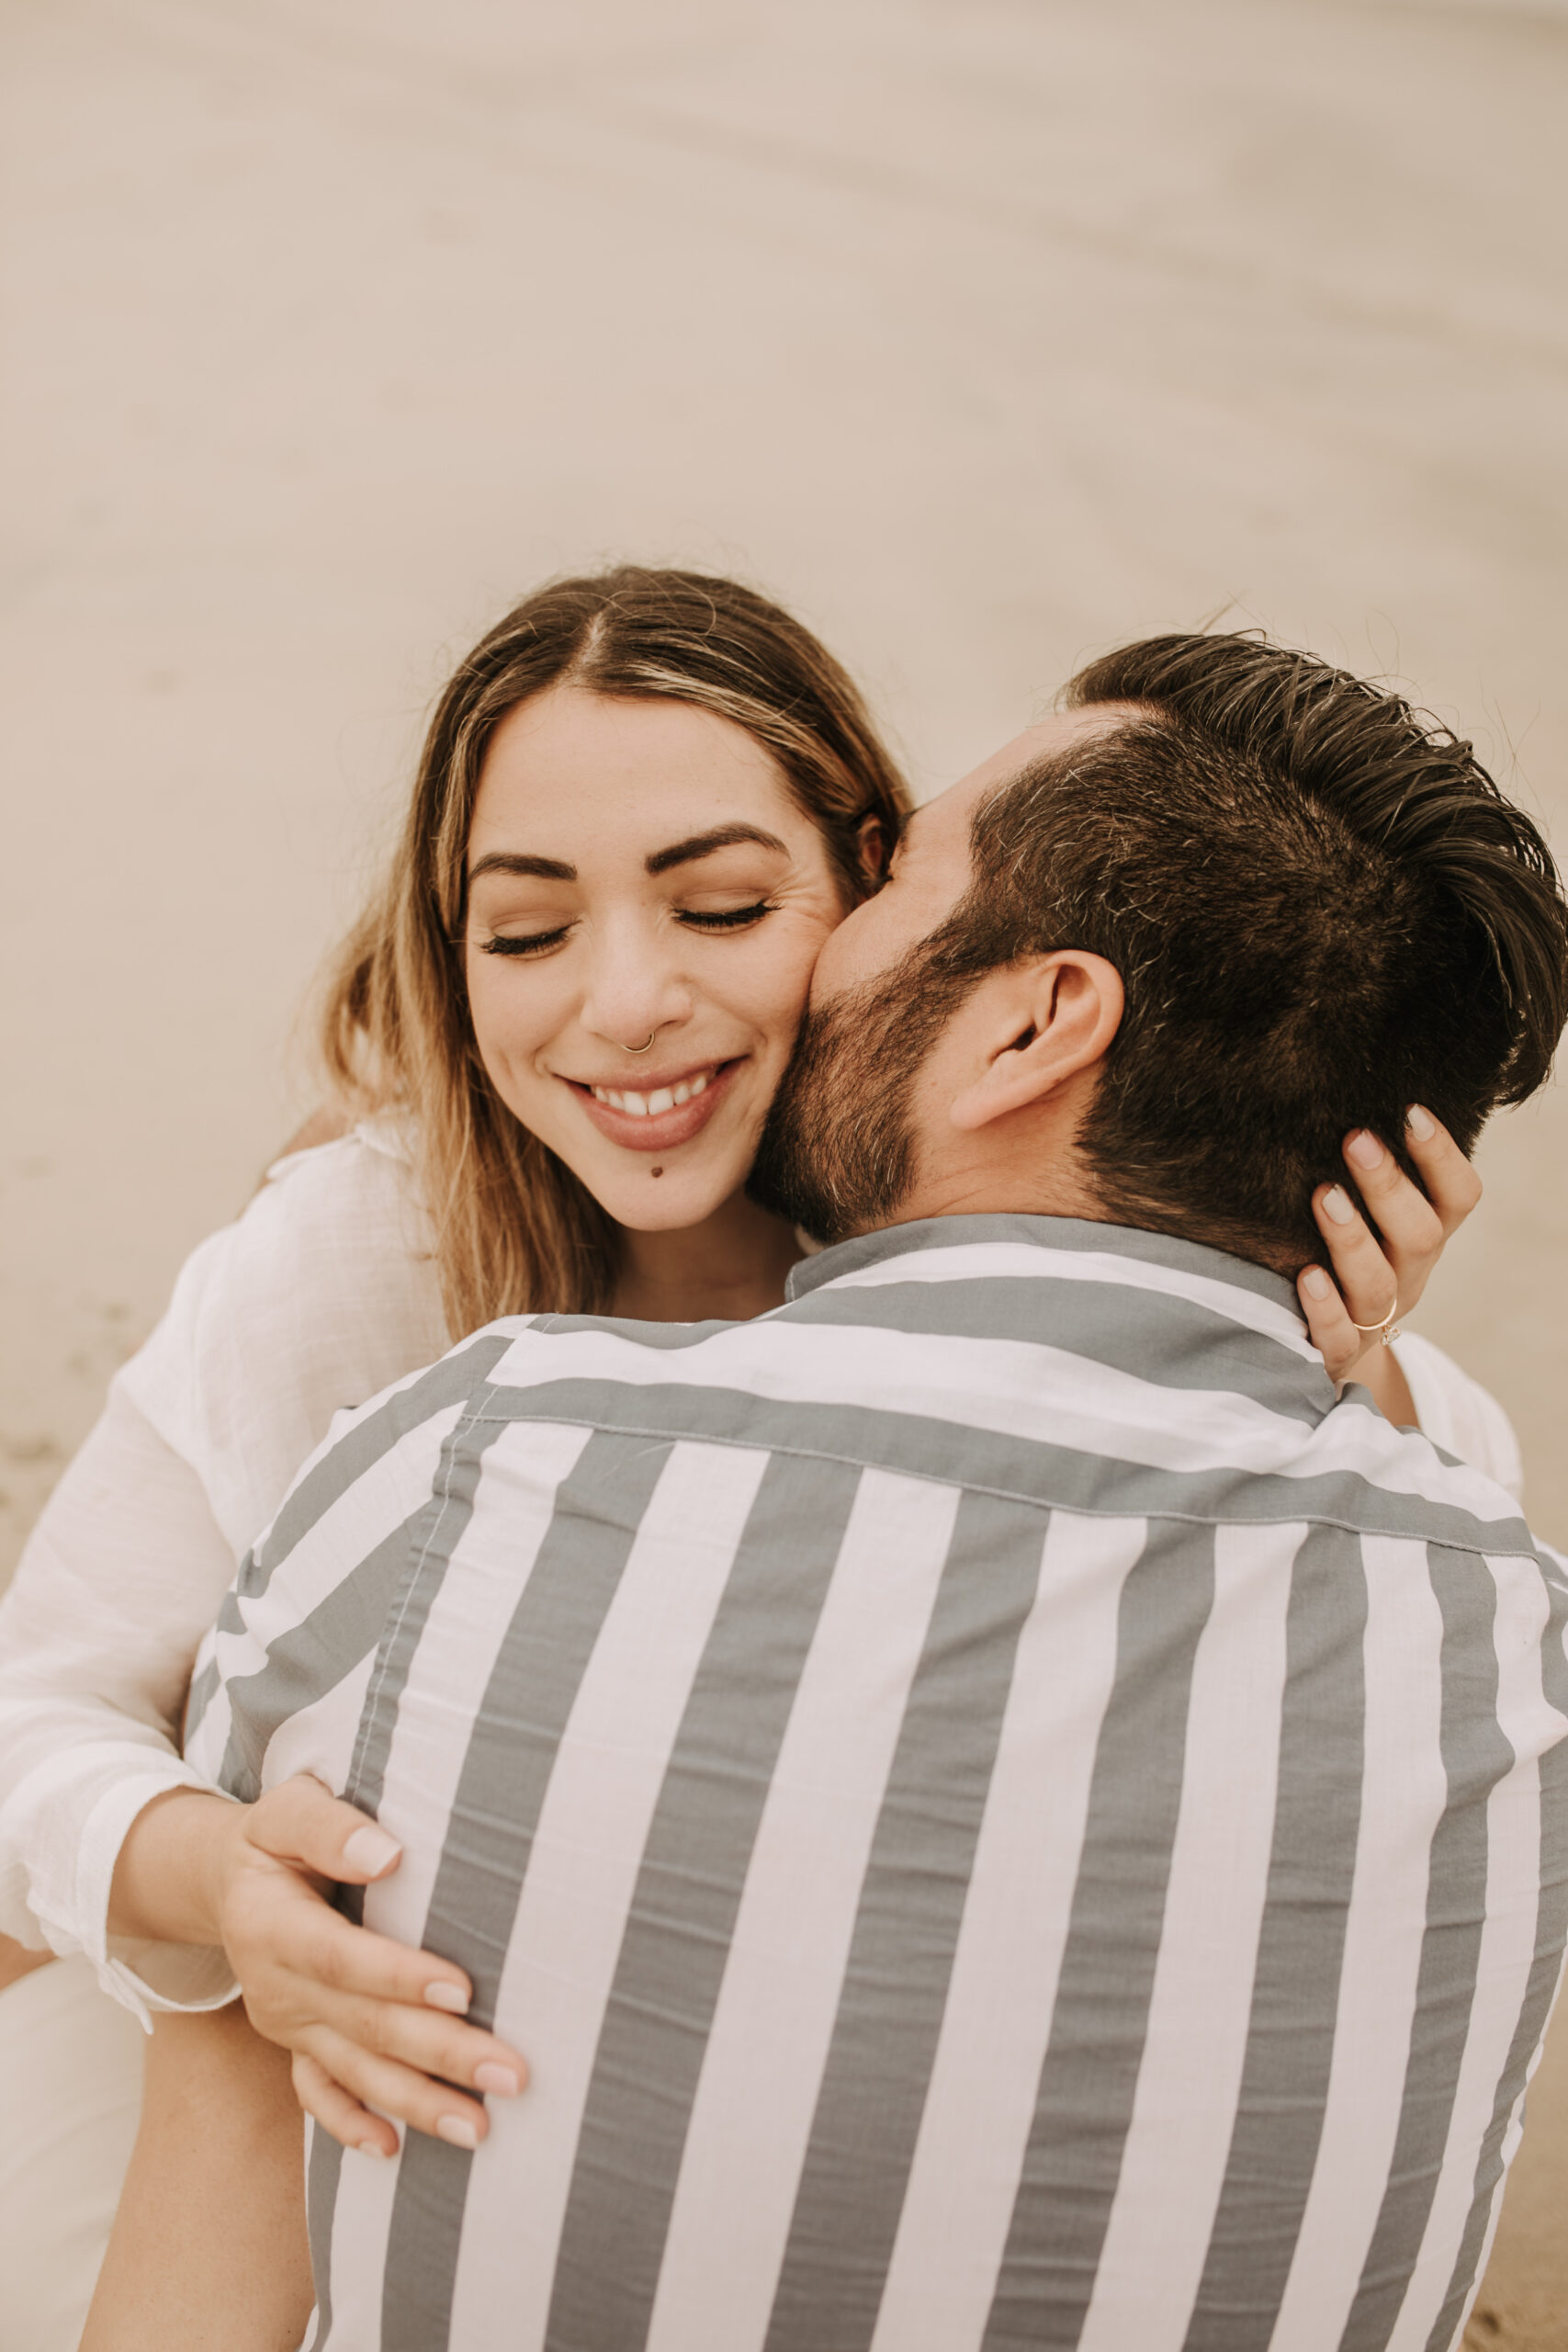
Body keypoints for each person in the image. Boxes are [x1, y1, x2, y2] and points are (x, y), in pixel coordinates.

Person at [111, 634, 1568, 2350]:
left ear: (1036, 1022)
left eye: (895, 881)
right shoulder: (1508, 1631)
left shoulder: (473, 1454)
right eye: (527, 928)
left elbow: (225, 1996)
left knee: (275, 1946)